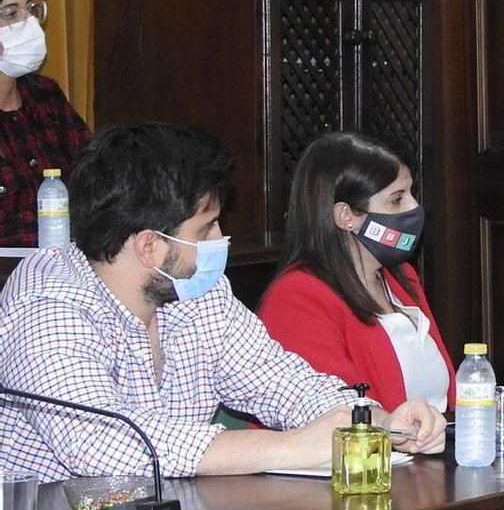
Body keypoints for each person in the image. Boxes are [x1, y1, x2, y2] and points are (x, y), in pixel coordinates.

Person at [0, 123, 446, 481]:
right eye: (207, 228)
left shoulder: (195, 292)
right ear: (150, 246)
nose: (220, 240)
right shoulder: (47, 307)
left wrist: (376, 424)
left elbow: (282, 382)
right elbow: (102, 447)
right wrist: (291, 447)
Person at [258, 133, 454, 413]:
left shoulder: (402, 278)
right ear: (346, 216)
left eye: (412, 193)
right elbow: (333, 413)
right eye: (397, 199)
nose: (414, 207)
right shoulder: (297, 298)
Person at [0, 0, 90, 246]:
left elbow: (97, 174)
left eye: (30, 8)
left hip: (73, 258)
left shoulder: (44, 95)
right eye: (11, 14)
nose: (29, 22)